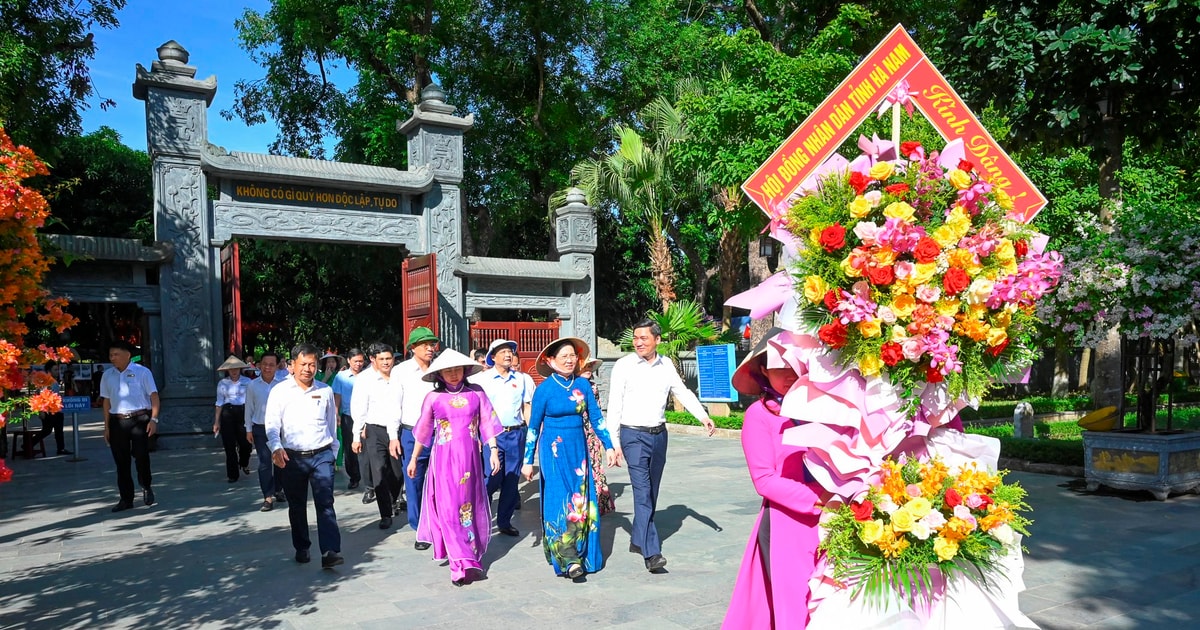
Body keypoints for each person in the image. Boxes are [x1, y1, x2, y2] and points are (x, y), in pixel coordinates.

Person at [722, 330, 823, 629]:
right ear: (764, 369)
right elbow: (764, 480)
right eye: (779, 366)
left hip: (833, 517)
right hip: (786, 523)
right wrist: (819, 500)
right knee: (794, 605)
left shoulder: (821, 408)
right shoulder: (759, 415)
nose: (789, 374)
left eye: (794, 365)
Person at [607, 319, 715, 573]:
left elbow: (682, 392)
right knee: (642, 492)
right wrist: (613, 442)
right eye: (635, 338)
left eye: (644, 338)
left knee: (652, 492)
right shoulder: (623, 366)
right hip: (632, 436)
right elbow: (614, 404)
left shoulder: (666, 365)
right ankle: (651, 552)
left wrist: (703, 416)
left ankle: (637, 538)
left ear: (657, 340)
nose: (638, 342)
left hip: (658, 436)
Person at [522, 337, 616, 580]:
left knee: (581, 499)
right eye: (563, 356)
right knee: (559, 500)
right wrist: (527, 460)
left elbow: (596, 418)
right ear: (551, 361)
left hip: (578, 450)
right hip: (553, 451)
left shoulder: (583, 386)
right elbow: (533, 427)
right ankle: (568, 557)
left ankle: (583, 552)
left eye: (572, 355)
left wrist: (609, 446)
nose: (569, 360)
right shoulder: (544, 390)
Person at [407, 349, 502, 585]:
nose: (452, 374)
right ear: (439, 374)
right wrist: (413, 459)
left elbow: (488, 422)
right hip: (444, 460)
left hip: (470, 459)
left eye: (456, 369)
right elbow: (423, 432)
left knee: (468, 506)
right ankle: (459, 563)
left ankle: (469, 551)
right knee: (449, 508)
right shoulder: (433, 398)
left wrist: (493, 451)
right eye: (447, 370)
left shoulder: (476, 393)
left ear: (465, 370)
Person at [265, 343, 344, 569]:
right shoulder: (279, 391)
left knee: (325, 502)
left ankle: (330, 550)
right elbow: (272, 425)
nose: (308, 369)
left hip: (321, 455)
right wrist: (276, 448)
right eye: (303, 364)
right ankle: (302, 546)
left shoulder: (325, 391)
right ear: (292, 365)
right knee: (297, 505)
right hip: (292, 458)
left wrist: (333, 452)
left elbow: (331, 425)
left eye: (312, 364)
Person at [472, 338, 534, 536]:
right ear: (492, 357)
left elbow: (526, 407)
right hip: (492, 435)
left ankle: (505, 522)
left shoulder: (522, 379)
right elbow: (476, 410)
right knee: (491, 477)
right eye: (503, 351)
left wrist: (531, 432)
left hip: (516, 433)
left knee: (511, 479)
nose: (508, 355)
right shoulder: (481, 380)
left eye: (510, 351)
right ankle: (480, 519)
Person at [100, 340, 160, 512]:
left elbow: (154, 396)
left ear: (127, 355)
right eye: (111, 355)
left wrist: (154, 420)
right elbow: (106, 401)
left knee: (141, 456)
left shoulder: (142, 372)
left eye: (116, 354)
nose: (112, 358)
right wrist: (107, 427)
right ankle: (126, 498)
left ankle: (146, 486)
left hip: (140, 419)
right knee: (121, 462)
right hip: (117, 421)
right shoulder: (107, 375)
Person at [350, 343, 405, 529]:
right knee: (379, 470)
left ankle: (394, 498)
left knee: (398, 473)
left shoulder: (399, 376)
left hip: (398, 430)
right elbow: (358, 407)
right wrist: (356, 435)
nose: (386, 362)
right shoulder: (365, 379)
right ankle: (385, 513)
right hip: (374, 430)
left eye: (388, 359)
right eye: (381, 359)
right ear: (373, 359)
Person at [397, 326, 439, 545]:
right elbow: (394, 405)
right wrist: (393, 436)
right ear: (413, 347)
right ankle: (420, 528)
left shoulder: (441, 369)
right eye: (425, 345)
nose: (430, 348)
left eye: (432, 344)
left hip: (439, 432)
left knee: (440, 478)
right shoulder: (401, 371)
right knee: (414, 480)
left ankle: (438, 522)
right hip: (411, 432)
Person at [244, 352, 287, 511]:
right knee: (264, 463)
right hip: (260, 428)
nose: (268, 367)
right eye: (265, 364)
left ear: (277, 366)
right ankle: (267, 497)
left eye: (271, 364)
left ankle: (278, 489)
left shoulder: (283, 384)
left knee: (281, 461)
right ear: (259, 365)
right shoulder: (252, 385)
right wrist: (248, 429)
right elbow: (248, 408)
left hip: (281, 428)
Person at [578, 357, 614, 515]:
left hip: (591, 432)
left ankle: (598, 501)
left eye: (590, 367)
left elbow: (597, 412)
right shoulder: (571, 386)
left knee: (595, 465)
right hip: (576, 431)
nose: (588, 369)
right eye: (585, 366)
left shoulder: (592, 386)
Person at [213, 355, 253, 483]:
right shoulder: (222, 383)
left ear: (240, 369)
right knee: (229, 445)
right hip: (227, 412)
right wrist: (216, 422)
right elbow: (219, 403)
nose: (234, 371)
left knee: (245, 444)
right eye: (231, 369)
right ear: (227, 370)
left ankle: (244, 461)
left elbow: (253, 401)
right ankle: (232, 474)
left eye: (236, 368)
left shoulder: (248, 382)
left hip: (243, 412)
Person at [333, 348, 366, 491]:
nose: (358, 364)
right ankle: (354, 477)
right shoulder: (341, 377)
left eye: (360, 361)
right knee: (349, 448)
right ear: (349, 361)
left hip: (366, 417)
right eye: (355, 361)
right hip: (348, 416)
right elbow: (337, 396)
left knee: (366, 448)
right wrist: (336, 414)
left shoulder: (368, 375)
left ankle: (369, 478)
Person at [38, 361, 71, 455]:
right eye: (55, 370)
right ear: (49, 371)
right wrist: (42, 411)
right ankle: (29, 444)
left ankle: (61, 449)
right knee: (47, 430)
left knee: (59, 430)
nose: (58, 371)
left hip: (57, 410)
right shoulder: (47, 382)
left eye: (58, 369)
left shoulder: (54, 381)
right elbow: (42, 396)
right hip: (49, 411)